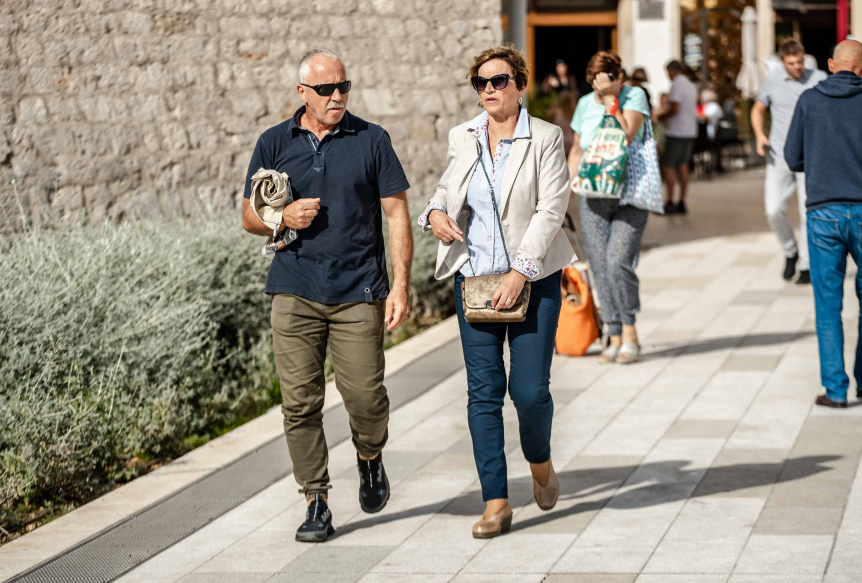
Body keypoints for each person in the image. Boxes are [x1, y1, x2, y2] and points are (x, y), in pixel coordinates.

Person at [241, 49, 414, 542]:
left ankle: (369, 455)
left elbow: (397, 213)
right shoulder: (273, 142)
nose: (337, 96)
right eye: (326, 90)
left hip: (358, 289)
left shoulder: (371, 139)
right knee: (299, 404)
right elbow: (248, 216)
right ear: (303, 93)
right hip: (294, 290)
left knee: (363, 394)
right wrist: (282, 217)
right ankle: (315, 499)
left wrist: (401, 284)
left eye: (343, 87)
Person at [418, 45, 575, 539]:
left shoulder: (545, 138)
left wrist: (520, 273)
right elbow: (445, 191)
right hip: (475, 282)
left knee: (529, 393)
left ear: (520, 85)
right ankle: (496, 501)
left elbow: (552, 209)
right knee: (483, 395)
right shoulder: (462, 137)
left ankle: (541, 465)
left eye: (499, 80)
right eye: (480, 82)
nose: (488, 89)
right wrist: (435, 215)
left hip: (533, 282)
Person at [784, 39, 862, 409]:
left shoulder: (809, 99)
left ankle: (835, 390)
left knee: (828, 302)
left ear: (832, 65)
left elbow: (792, 157)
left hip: (824, 213)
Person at [569, 51, 651, 364]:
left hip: (629, 193)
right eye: (594, 82)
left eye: (604, 81)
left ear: (618, 77)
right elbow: (577, 149)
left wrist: (611, 101)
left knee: (618, 261)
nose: (597, 88)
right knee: (600, 265)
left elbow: (626, 134)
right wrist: (564, 188)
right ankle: (613, 333)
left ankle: (630, 329)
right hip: (592, 194)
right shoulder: (584, 104)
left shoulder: (634, 96)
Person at [751, 39, 828, 284]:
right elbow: (757, 110)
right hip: (779, 154)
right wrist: (760, 135)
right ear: (782, 62)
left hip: (811, 156)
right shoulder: (772, 81)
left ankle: (807, 265)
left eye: (800, 62)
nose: (797, 67)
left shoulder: (819, 78)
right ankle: (790, 251)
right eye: (791, 63)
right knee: (773, 210)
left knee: (809, 212)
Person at [656, 60, 698, 214]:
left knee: (668, 165)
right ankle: (682, 201)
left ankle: (670, 201)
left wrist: (660, 117)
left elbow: (675, 108)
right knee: (683, 166)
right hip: (690, 131)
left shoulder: (677, 85)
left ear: (672, 71)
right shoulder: (691, 86)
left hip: (676, 131)